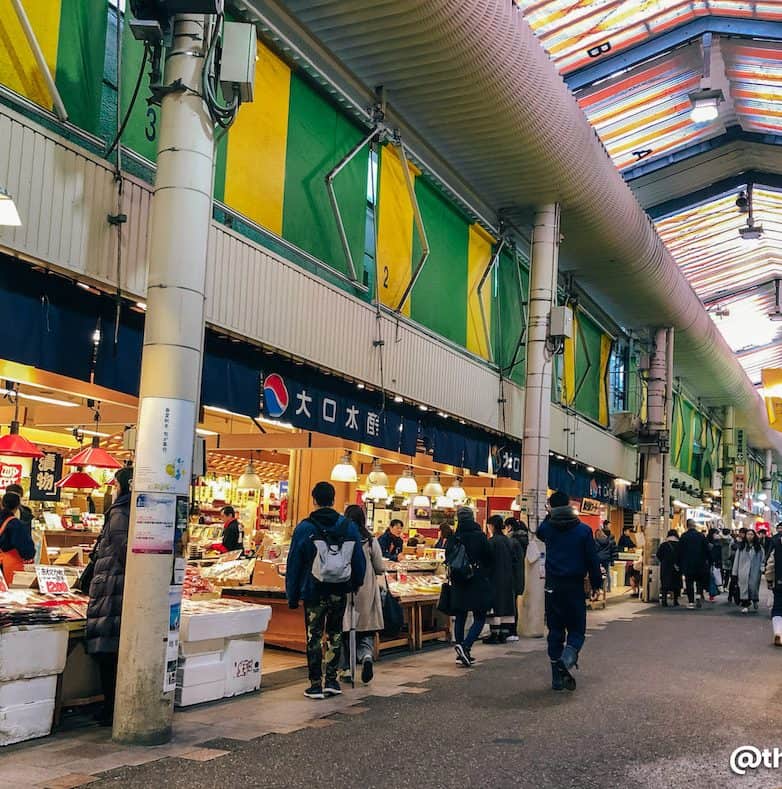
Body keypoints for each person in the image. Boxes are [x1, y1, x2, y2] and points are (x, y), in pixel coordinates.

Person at [285, 482, 366, 699]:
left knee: (313, 636)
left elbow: (294, 563)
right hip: (339, 589)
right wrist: (356, 583)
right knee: (335, 633)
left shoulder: (305, 528)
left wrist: (292, 595)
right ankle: (332, 680)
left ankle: (315, 684)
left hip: (313, 590)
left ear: (314, 500)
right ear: (333, 499)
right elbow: (359, 559)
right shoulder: (348, 527)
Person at [537, 491, 602, 692]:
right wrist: (596, 584)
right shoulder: (583, 531)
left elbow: (539, 532)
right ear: (569, 505)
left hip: (552, 587)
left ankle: (557, 678)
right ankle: (566, 661)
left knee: (555, 630)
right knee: (577, 629)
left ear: (551, 507)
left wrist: (550, 513)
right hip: (574, 586)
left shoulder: (547, 528)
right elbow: (592, 559)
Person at [85, 466, 132, 726]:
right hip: (116, 588)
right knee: (113, 650)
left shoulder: (119, 513)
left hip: (112, 590)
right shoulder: (132, 511)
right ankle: (113, 705)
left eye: (115, 485)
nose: (113, 490)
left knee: (107, 651)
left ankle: (111, 707)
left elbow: (124, 551)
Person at [339, 505, 384, 684]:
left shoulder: (341, 537)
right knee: (365, 629)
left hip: (345, 587)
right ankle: (366, 656)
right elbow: (379, 566)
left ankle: (346, 669)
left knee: (345, 629)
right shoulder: (370, 540)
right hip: (366, 589)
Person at [448, 506, 492, 667]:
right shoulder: (479, 536)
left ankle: (461, 650)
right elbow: (489, 557)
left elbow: (448, 557)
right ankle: (466, 647)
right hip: (477, 580)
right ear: (472, 518)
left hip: (458, 581)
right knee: (480, 617)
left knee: (460, 616)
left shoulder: (454, 537)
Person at [484, 515, 516, 644]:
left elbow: (487, 561)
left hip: (494, 578)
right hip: (508, 578)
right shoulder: (508, 541)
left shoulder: (491, 541)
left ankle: (494, 634)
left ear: (491, 526)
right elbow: (515, 560)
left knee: (495, 607)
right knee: (506, 606)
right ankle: (504, 634)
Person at [0, 491, 36, 585]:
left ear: (2, 504)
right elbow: (27, 550)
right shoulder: (16, 524)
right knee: (9, 591)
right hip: (8, 566)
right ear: (18, 506)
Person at [678, 519, 710, 609]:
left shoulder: (684, 536)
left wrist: (680, 563)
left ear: (687, 526)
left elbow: (679, 551)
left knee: (689, 583)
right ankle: (699, 596)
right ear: (695, 525)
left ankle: (691, 602)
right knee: (699, 582)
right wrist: (707, 560)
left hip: (688, 564)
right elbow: (707, 549)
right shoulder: (701, 536)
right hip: (700, 563)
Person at [506, 518, 528, 641]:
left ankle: (511, 631)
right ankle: (512, 631)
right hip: (518, 576)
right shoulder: (523, 540)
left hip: (510, 577)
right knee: (513, 604)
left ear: (509, 527)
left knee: (510, 605)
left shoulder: (512, 541)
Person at [732, 527, 763, 613]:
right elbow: (736, 560)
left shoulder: (758, 547)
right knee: (744, 588)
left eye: (752, 534)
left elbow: (762, 559)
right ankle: (745, 604)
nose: (750, 536)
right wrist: (734, 572)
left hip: (755, 571)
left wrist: (762, 568)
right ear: (745, 535)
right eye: (748, 534)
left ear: (754, 536)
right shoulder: (741, 547)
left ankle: (755, 599)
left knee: (753, 587)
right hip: (743, 571)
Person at [656, 529, 681, 607]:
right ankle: (675, 601)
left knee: (665, 583)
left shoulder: (664, 545)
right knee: (676, 583)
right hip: (676, 567)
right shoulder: (679, 545)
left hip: (666, 567)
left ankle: (664, 600)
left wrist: (663, 561)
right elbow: (682, 556)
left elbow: (658, 555)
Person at [766, 523, 782, 646]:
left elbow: (770, 565)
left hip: (779, 581)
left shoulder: (777, 545)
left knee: (777, 608)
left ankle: (778, 632)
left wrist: (769, 580)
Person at [728, 528, 746, 605]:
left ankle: (742, 597)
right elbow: (732, 548)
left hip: (743, 564)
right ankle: (731, 595)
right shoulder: (735, 541)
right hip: (734, 563)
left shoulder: (747, 542)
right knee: (733, 580)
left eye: (743, 533)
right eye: (741, 533)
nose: (742, 534)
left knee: (742, 582)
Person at [706, 528, 723, 600]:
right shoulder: (709, 542)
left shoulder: (717, 541)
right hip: (711, 562)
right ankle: (712, 593)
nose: (717, 535)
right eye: (716, 533)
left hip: (714, 562)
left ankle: (712, 593)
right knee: (712, 578)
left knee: (713, 578)